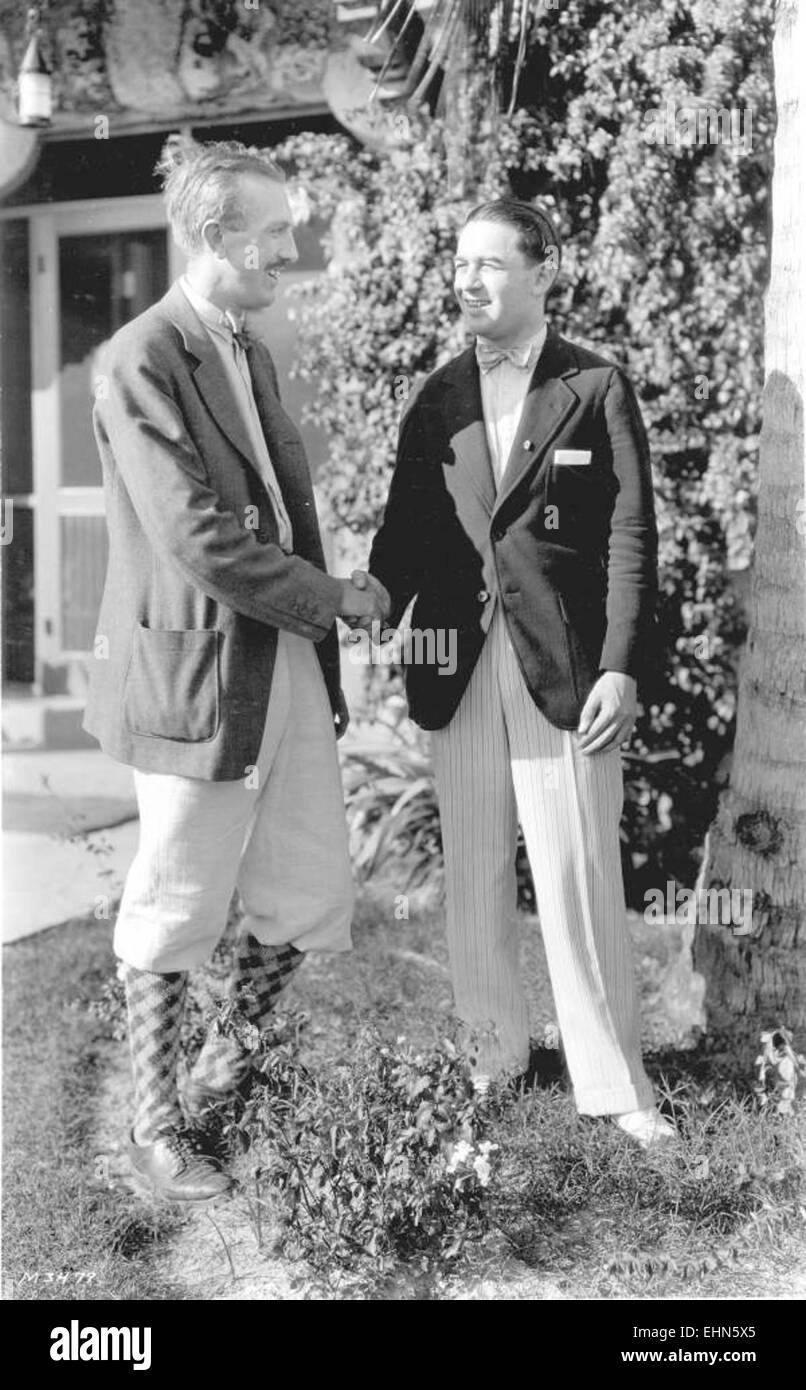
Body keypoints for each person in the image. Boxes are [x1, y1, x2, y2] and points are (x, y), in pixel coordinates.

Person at [84, 135, 389, 1200]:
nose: (293, 254)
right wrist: (332, 596)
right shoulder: (139, 358)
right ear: (214, 235)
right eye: (276, 237)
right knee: (174, 897)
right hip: (197, 674)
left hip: (283, 660)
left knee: (307, 889)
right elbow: (198, 538)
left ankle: (216, 1078)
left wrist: (318, 613)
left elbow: (264, 515)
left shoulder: (246, 348)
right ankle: (152, 1127)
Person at [368, 197, 674, 1149]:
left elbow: (631, 538)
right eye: (459, 263)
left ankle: (614, 1082)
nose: (468, 279)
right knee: (472, 880)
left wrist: (621, 668)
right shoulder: (437, 396)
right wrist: (355, 608)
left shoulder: (595, 385)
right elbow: (404, 537)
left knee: (578, 871)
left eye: (490, 263)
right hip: (456, 666)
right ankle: (488, 1058)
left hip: (565, 674)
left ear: (542, 272)